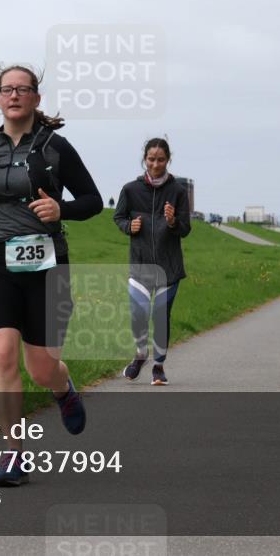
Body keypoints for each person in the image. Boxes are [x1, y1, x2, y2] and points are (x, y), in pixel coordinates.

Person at [0, 64, 103, 486]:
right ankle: (12, 454)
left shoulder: (57, 147)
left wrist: (61, 209)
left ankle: (63, 387)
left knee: (41, 368)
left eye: (23, 89)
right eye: (7, 89)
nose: (14, 95)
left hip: (45, 263)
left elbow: (92, 200)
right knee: (1, 354)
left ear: (36, 98)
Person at [113, 138, 191, 386]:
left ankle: (158, 366)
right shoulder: (130, 190)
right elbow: (119, 217)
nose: (155, 164)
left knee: (160, 315)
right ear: (144, 159)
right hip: (140, 265)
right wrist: (129, 226)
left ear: (168, 160)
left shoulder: (178, 191)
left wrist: (172, 222)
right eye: (151, 159)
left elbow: (185, 229)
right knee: (138, 314)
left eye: (160, 159)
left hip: (169, 267)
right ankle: (140, 355)